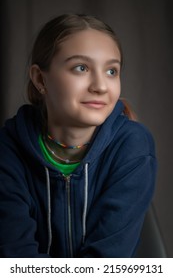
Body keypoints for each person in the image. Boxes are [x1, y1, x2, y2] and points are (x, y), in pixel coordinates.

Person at [0, 14, 157, 258]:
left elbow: (106, 263)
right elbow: (15, 258)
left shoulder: (132, 146)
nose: (101, 86)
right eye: (81, 68)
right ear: (41, 79)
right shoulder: (8, 148)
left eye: (111, 71)